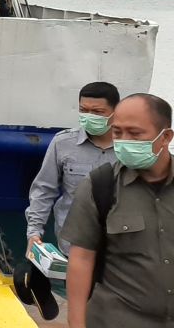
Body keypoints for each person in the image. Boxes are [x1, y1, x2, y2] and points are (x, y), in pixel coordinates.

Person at [63, 93, 174, 327]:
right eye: (117, 132)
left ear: (165, 137)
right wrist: (76, 323)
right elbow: (81, 260)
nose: (124, 141)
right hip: (116, 320)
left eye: (135, 134)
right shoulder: (100, 186)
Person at [26, 81, 119, 253]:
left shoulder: (129, 148)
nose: (89, 116)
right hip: (72, 244)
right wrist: (34, 232)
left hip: (117, 247)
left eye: (98, 112)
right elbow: (44, 190)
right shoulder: (63, 143)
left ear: (116, 112)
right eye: (84, 110)